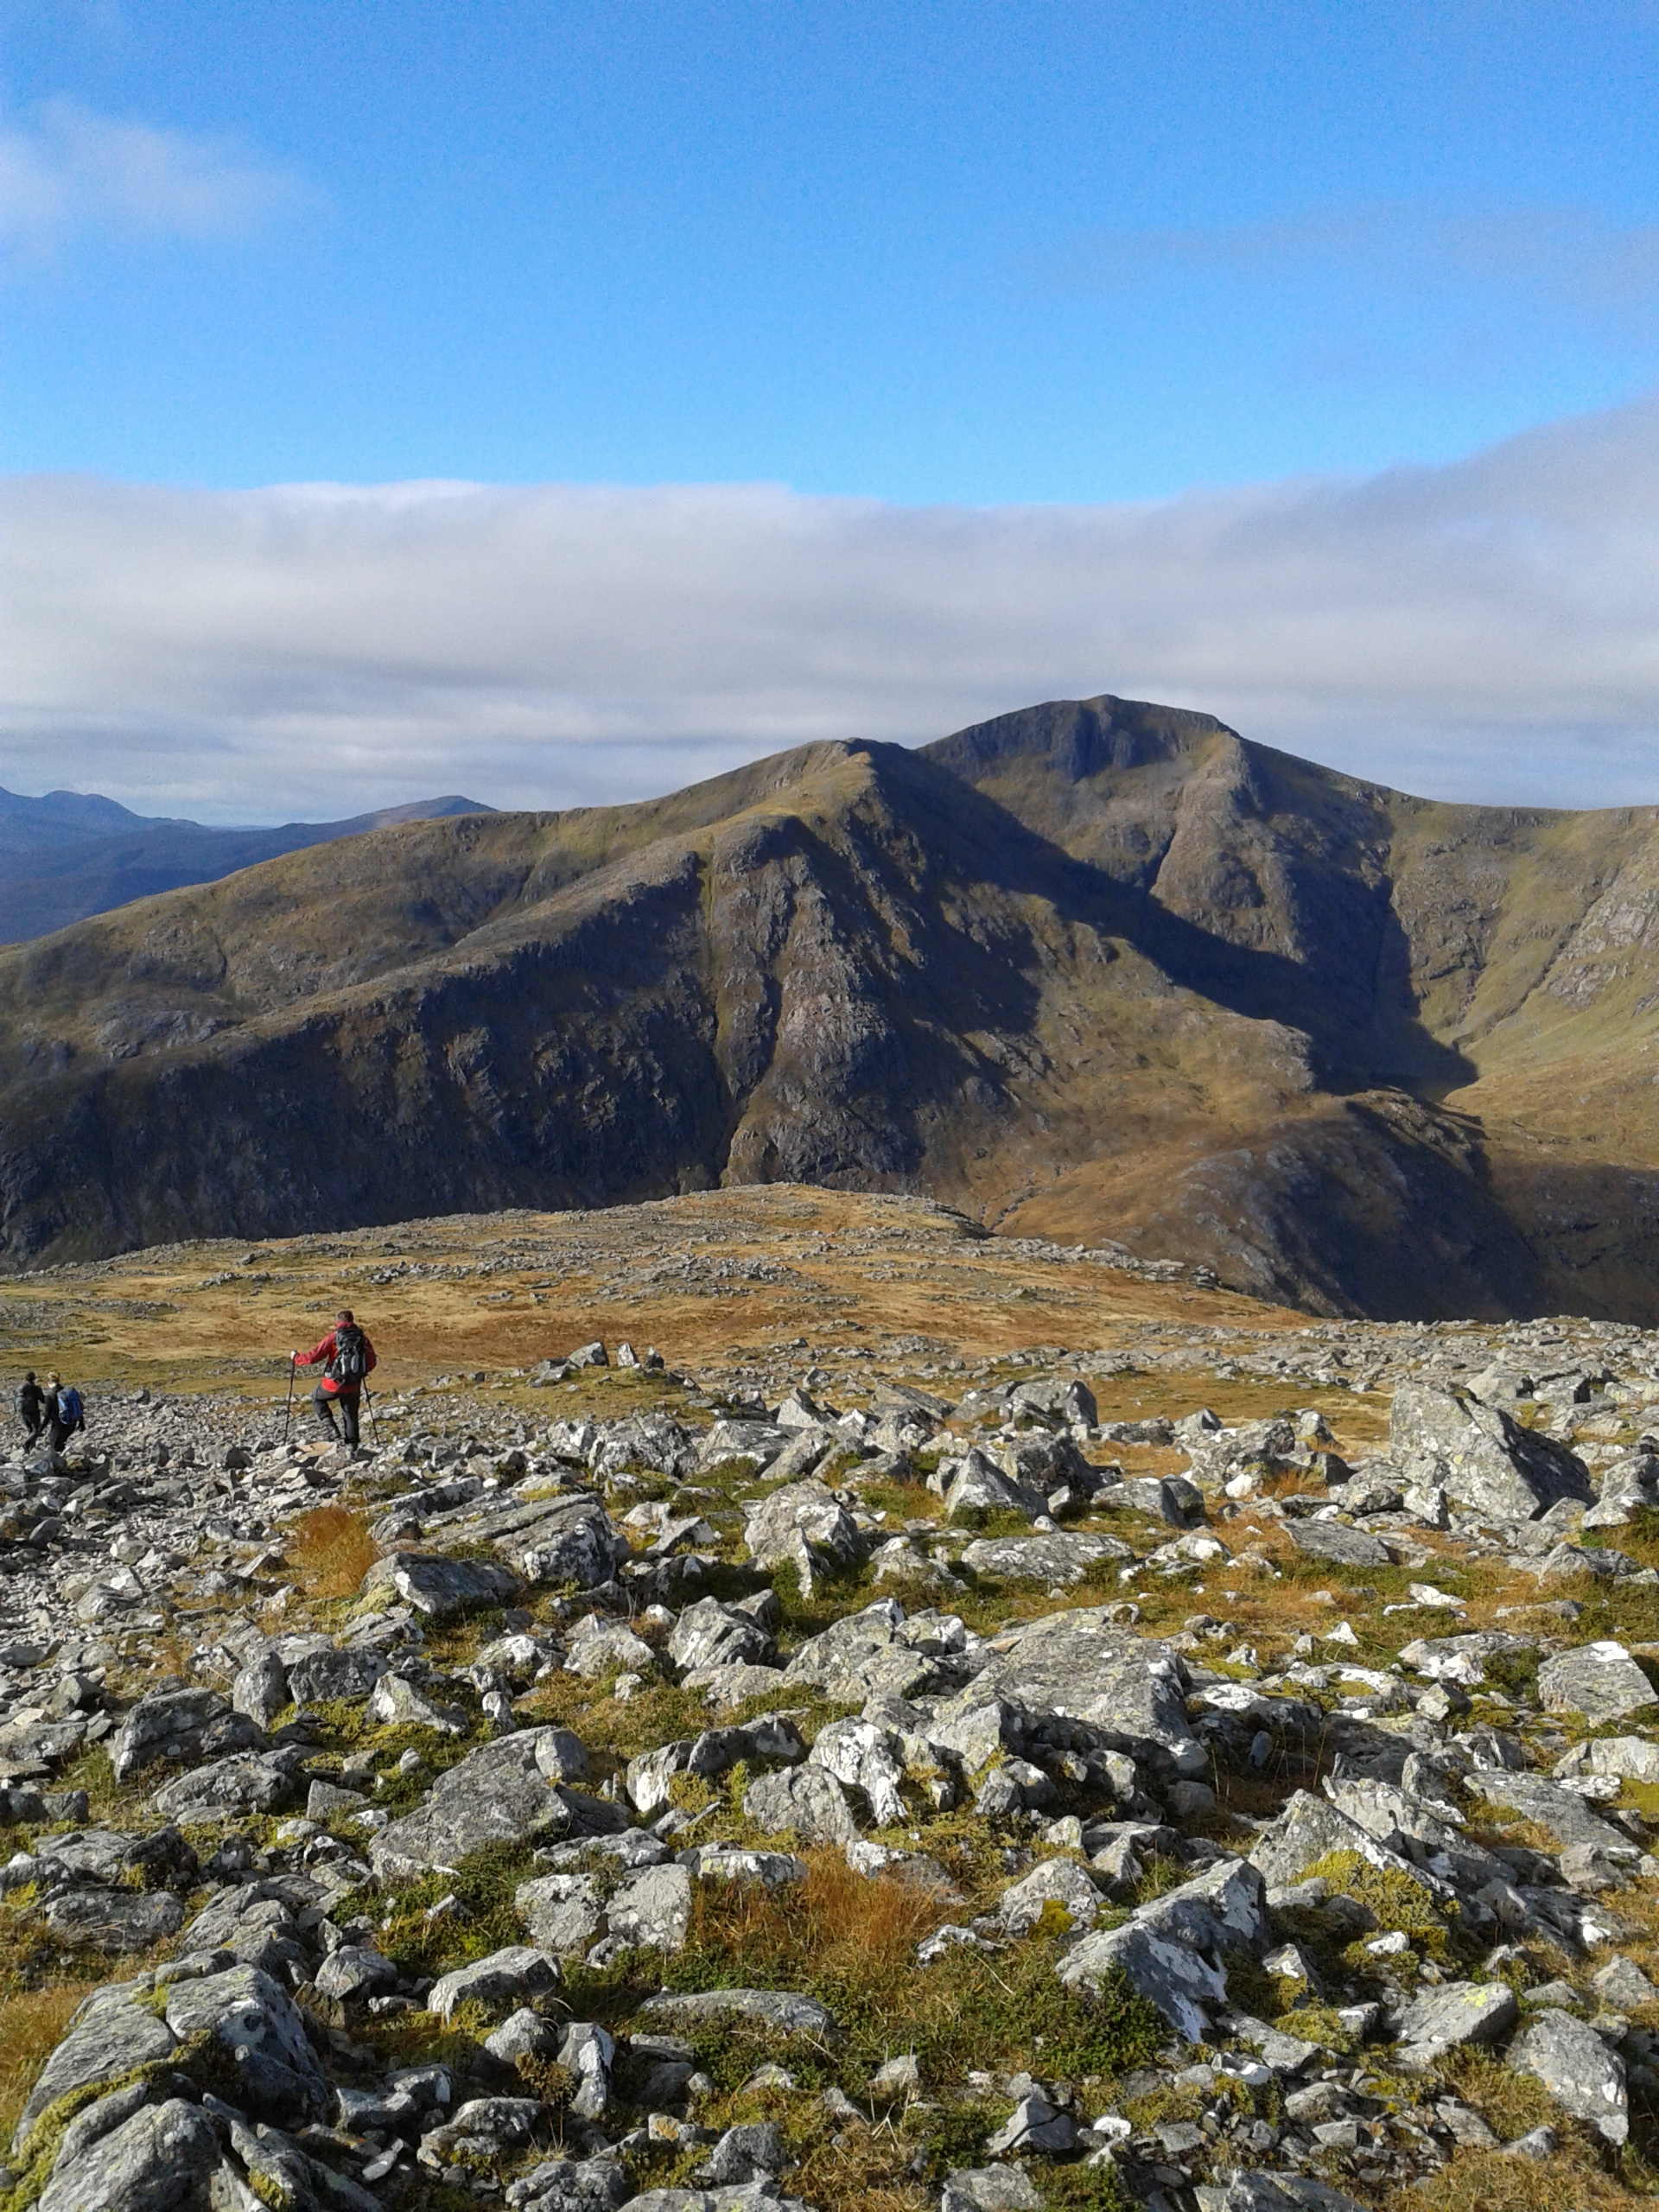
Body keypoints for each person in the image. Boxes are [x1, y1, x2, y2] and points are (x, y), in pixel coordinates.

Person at [294, 1309, 376, 1446]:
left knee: (316, 1398)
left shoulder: (334, 1338)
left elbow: (313, 1357)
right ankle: (353, 1449)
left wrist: (295, 1358)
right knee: (351, 1415)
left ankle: (332, 1429)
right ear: (352, 1320)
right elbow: (372, 1361)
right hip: (354, 1384)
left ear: (337, 1322)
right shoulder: (362, 1338)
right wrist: (360, 1373)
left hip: (334, 1384)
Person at [43, 1372, 85, 1452]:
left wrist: (39, 1431)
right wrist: (81, 1422)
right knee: (62, 1443)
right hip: (71, 1424)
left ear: (49, 1382)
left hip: (58, 1426)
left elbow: (47, 1417)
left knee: (54, 1447)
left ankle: (60, 1464)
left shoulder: (50, 1397)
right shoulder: (68, 1392)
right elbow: (80, 1406)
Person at [16, 1370, 46, 1446]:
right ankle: (27, 1444)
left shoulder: (19, 1388)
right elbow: (43, 1400)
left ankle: (30, 1448)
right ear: (34, 1378)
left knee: (30, 1430)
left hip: (21, 1411)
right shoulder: (35, 1388)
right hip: (32, 1411)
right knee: (36, 1430)